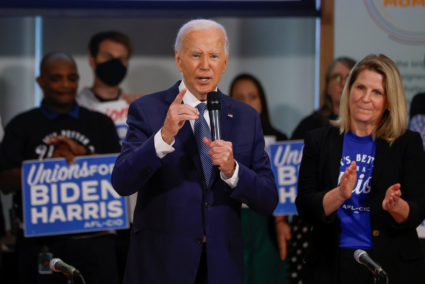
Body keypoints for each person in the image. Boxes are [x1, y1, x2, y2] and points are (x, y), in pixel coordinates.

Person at [111, 19, 278, 284]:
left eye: (214, 56)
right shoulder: (148, 110)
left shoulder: (246, 117)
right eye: (196, 55)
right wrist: (163, 136)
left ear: (224, 62)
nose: (205, 65)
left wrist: (233, 171)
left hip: (220, 266)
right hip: (161, 266)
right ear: (179, 60)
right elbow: (121, 181)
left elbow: (268, 199)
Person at [295, 54, 425, 283]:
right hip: (331, 264)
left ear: (388, 101)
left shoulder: (407, 143)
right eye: (360, 87)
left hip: (390, 264)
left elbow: (418, 210)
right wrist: (340, 194)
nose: (366, 98)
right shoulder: (318, 140)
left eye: (377, 92)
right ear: (349, 91)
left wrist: (395, 206)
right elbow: (305, 206)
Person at [0, 52, 121, 284]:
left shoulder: (100, 124)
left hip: (96, 241)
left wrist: (83, 155)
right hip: (40, 242)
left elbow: (118, 173)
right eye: (56, 78)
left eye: (71, 78)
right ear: (41, 82)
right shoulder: (22, 125)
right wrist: (48, 167)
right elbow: (4, 181)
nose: (65, 85)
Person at [76, 30, 141, 281]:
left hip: (132, 217)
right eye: (107, 56)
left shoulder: (138, 108)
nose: (115, 63)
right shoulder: (76, 109)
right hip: (93, 219)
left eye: (121, 58)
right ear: (92, 60)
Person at [289, 56, 356, 283]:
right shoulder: (310, 126)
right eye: (337, 77)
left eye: (349, 78)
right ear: (327, 84)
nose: (342, 83)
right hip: (313, 219)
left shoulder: (364, 128)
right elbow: (287, 172)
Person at [229, 73, 289, 284]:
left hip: (268, 224)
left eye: (252, 96)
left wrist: (282, 220)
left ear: (262, 101)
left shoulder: (280, 140)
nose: (247, 102)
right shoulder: (219, 142)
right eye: (240, 97)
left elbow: (286, 187)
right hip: (233, 220)